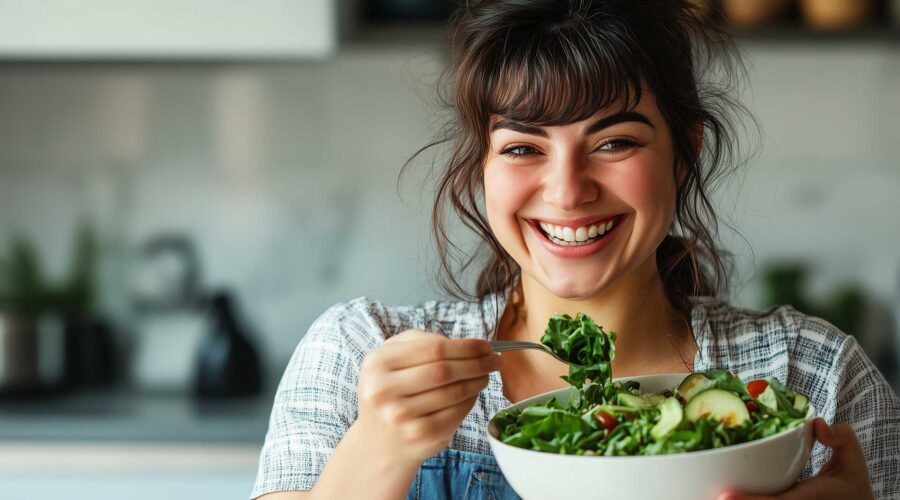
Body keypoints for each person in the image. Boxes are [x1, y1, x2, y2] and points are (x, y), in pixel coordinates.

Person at [251, 1, 899, 499]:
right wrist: (381, 447)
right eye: (522, 148)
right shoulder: (358, 354)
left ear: (685, 155)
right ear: (482, 167)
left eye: (615, 142)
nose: (567, 191)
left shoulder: (812, 376)